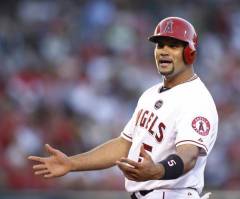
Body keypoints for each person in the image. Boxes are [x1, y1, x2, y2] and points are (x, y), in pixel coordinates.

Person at [28, 17, 218, 199]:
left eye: (173, 45)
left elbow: (189, 155)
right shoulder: (151, 93)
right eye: (160, 45)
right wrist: (72, 163)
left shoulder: (196, 99)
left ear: (189, 53)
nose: (164, 51)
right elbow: (124, 145)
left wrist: (159, 170)